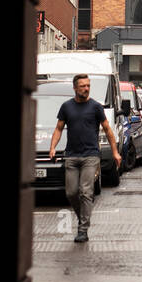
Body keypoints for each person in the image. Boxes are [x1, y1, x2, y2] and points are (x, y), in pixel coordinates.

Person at [49, 73, 120, 242]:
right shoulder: (66, 107)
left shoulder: (96, 107)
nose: (86, 89)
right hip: (71, 156)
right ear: (75, 88)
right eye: (83, 86)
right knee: (71, 192)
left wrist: (115, 152)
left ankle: (83, 230)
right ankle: (84, 217)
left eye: (88, 86)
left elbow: (108, 130)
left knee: (85, 192)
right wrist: (52, 147)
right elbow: (59, 128)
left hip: (91, 155)